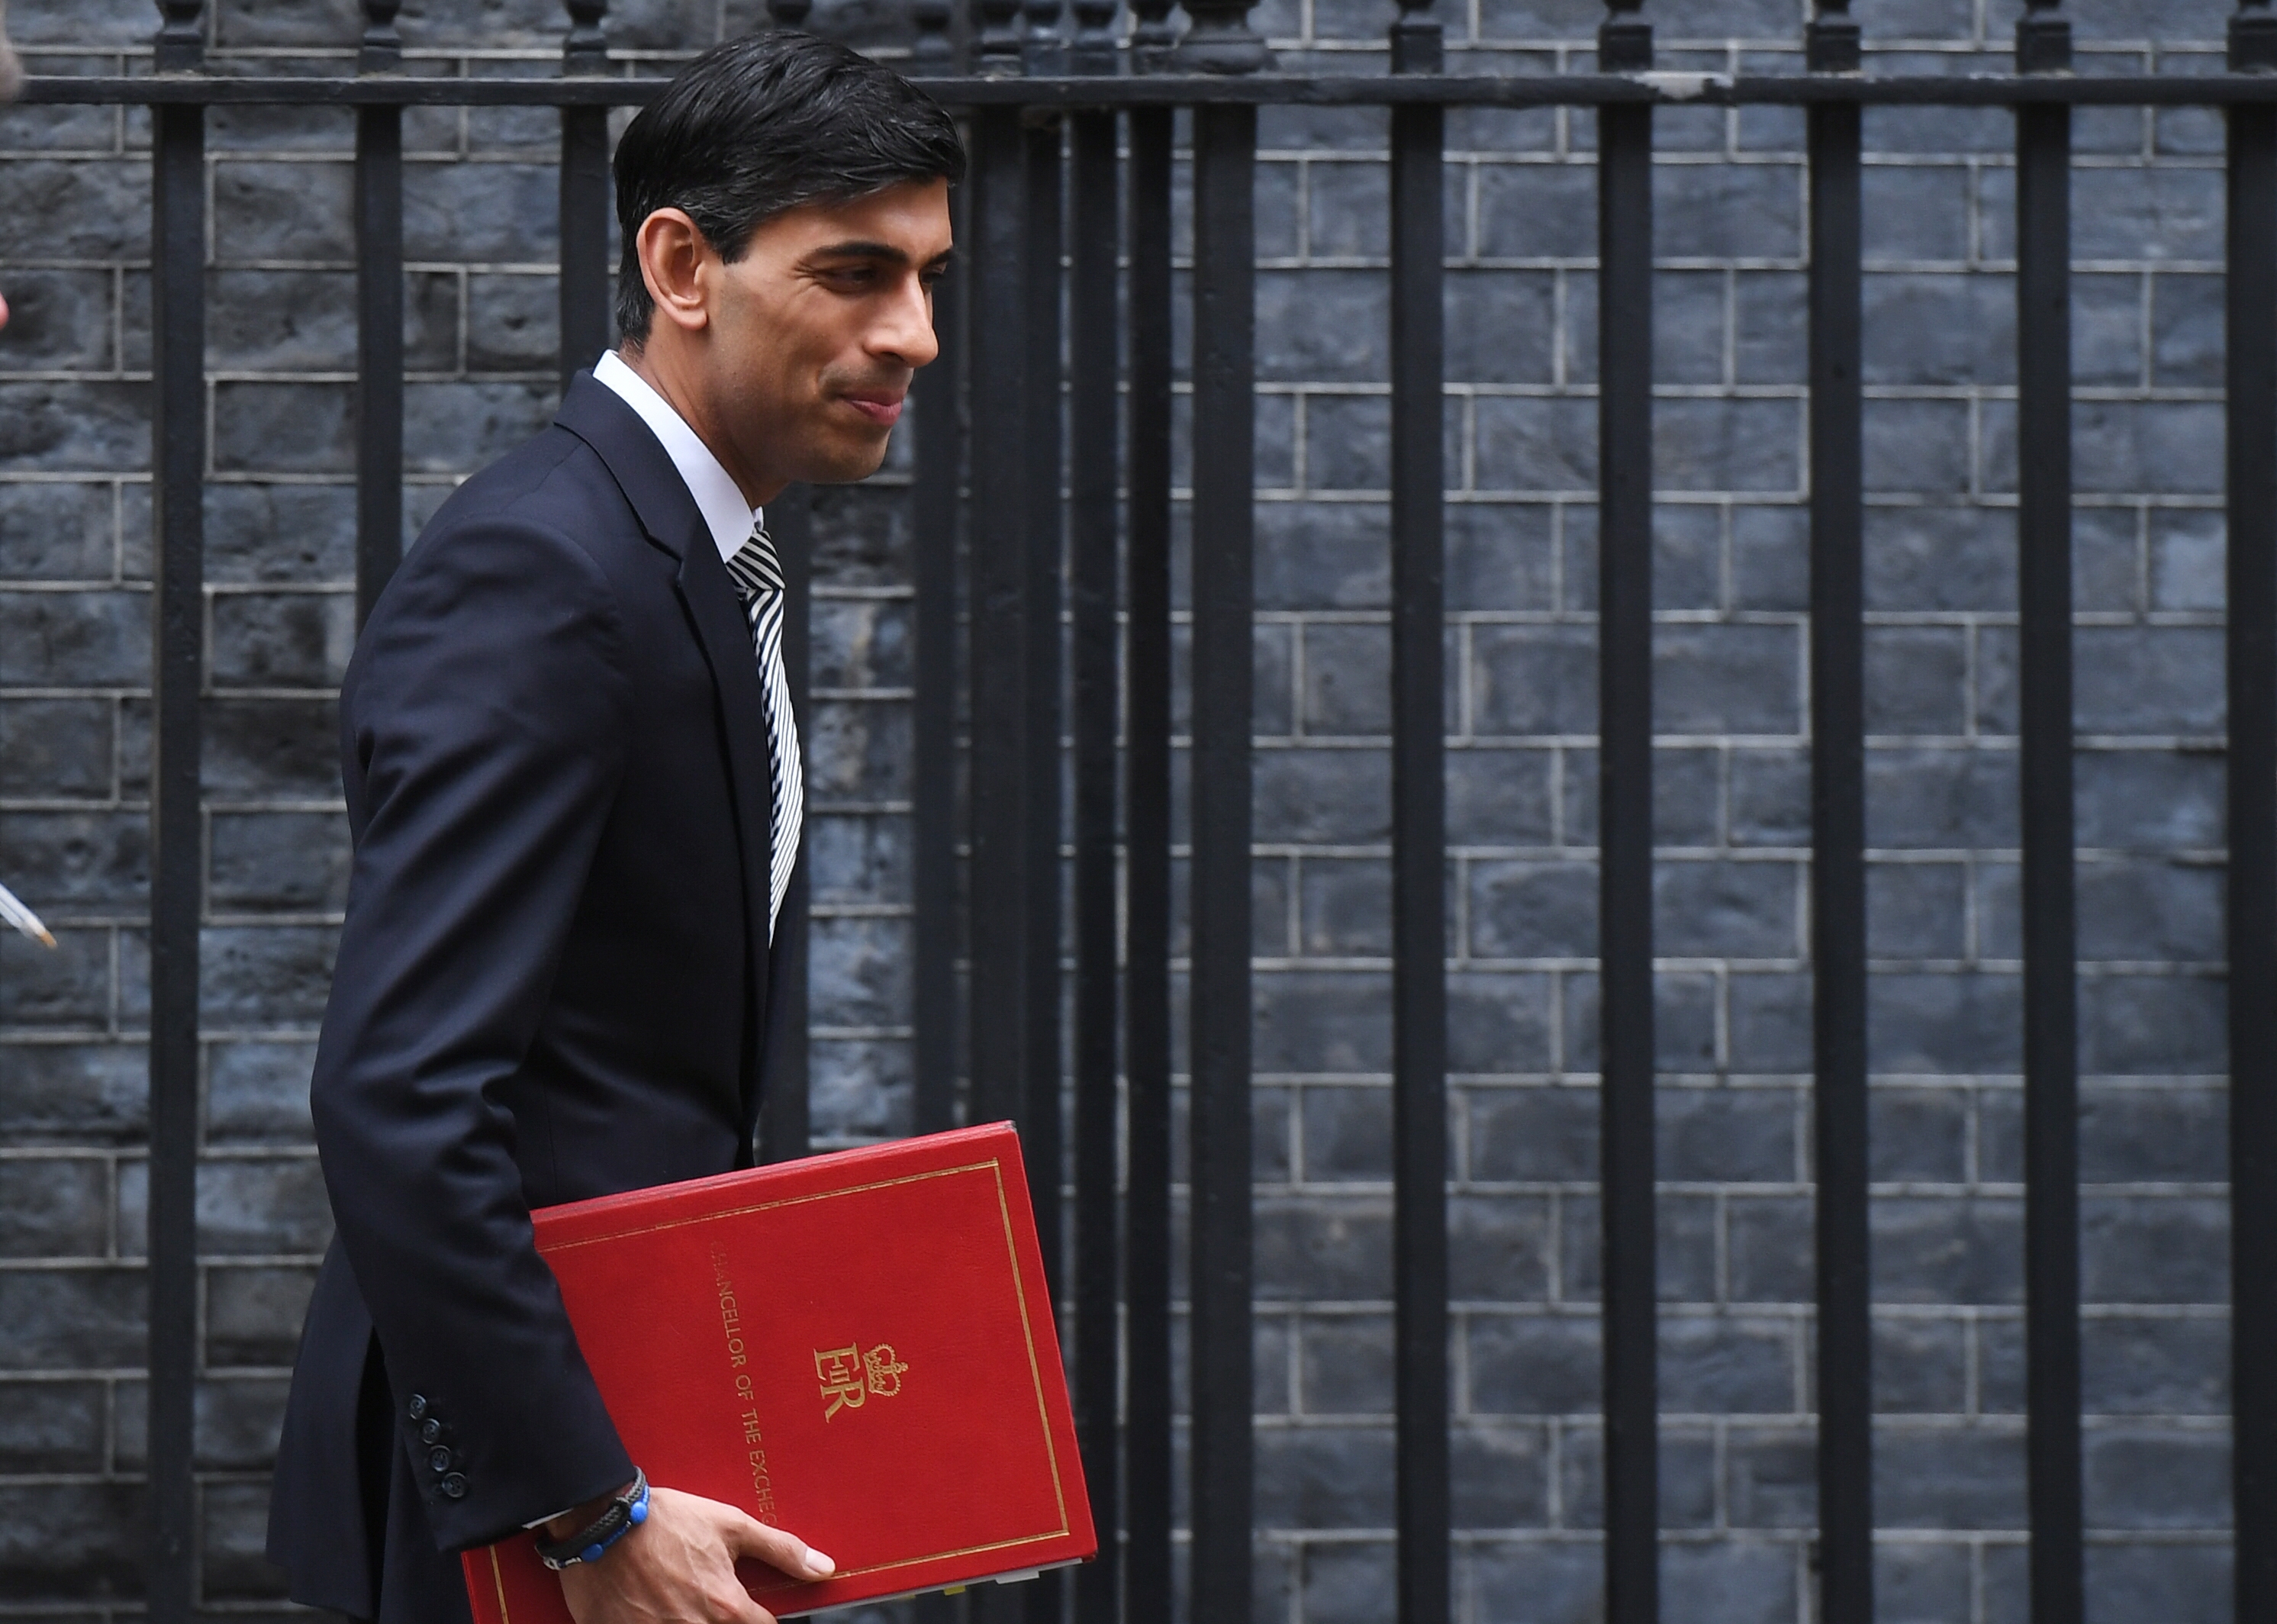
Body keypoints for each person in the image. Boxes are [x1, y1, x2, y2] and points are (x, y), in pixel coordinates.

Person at [265, 33, 961, 1624]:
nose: (913, 333)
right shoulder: (546, 572)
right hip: (519, 1492)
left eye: (929, 278)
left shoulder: (679, 551)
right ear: (682, 266)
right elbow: (401, 1095)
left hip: (630, 1428)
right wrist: (587, 1504)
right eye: (856, 272)